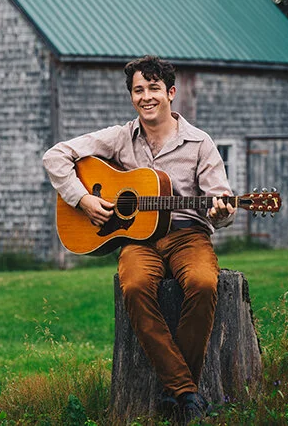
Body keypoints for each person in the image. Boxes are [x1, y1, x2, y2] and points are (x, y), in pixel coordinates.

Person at [42, 55, 235, 423]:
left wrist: (221, 211)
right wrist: (83, 199)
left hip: (187, 235)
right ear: (131, 95)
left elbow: (219, 201)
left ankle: (176, 389)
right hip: (139, 240)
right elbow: (56, 156)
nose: (146, 97)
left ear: (171, 92)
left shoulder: (200, 143)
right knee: (133, 286)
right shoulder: (120, 137)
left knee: (203, 283)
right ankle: (186, 393)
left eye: (153, 88)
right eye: (138, 90)